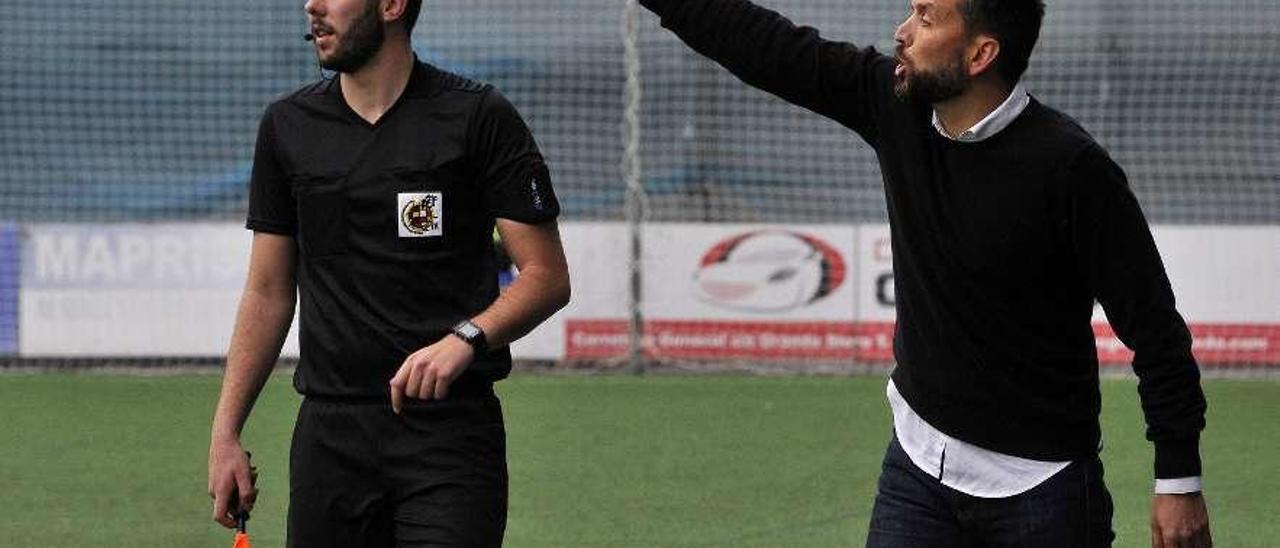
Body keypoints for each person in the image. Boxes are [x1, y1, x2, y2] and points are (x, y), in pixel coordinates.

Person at [637, 0, 1211, 546]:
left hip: (1043, 491)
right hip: (916, 474)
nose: (902, 31)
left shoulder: (1073, 169)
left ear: (980, 55)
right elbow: (763, 45)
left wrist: (1178, 480)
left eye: (927, 19)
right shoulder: (894, 104)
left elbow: (1155, 331)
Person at [207, 0, 570, 545]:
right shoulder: (288, 126)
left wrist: (466, 338)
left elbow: (546, 275)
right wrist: (225, 431)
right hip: (329, 441)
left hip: (449, 440)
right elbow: (268, 292)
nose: (313, 5)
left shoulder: (476, 116)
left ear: (393, 5)